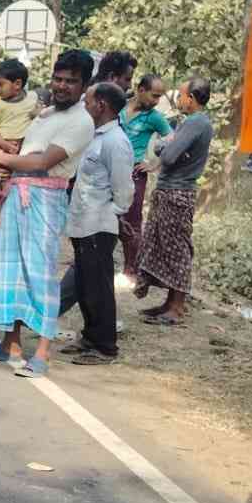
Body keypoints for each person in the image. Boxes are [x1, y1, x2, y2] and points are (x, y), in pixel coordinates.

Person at [0, 49, 95, 378]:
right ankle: (9, 344)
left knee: (39, 273)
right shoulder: (46, 114)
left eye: (71, 81)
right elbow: (24, 155)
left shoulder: (82, 121)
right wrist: (1, 170)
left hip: (45, 200)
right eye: (58, 78)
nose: (62, 85)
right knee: (10, 270)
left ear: (84, 85)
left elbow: (42, 162)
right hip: (18, 195)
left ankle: (42, 352)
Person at [56, 82, 134, 364]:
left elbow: (124, 188)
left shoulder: (116, 141)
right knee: (86, 285)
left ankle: (104, 346)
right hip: (82, 222)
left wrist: (111, 212)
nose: (84, 105)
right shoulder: (96, 136)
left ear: (101, 105)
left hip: (98, 224)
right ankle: (89, 337)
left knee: (99, 288)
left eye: (88, 101)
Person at [136, 77, 213, 326]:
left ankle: (177, 307)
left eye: (180, 95)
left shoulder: (195, 123)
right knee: (167, 244)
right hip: (174, 190)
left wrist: (161, 146)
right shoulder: (197, 123)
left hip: (176, 192)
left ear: (191, 98)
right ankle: (170, 303)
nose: (178, 100)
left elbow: (169, 155)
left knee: (177, 248)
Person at [118, 74, 172, 282]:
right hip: (111, 171)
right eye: (154, 95)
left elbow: (172, 141)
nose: (157, 100)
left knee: (132, 221)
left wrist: (154, 164)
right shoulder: (120, 106)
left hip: (134, 175)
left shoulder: (155, 117)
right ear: (140, 89)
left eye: (160, 96)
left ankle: (131, 268)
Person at [0, 59, 38, 232]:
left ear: (17, 84)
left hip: (24, 145)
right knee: (0, 176)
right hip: (3, 144)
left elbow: (38, 113)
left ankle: (7, 205)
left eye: (0, 84)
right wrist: (5, 146)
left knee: (15, 180)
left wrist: (38, 113)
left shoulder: (32, 98)